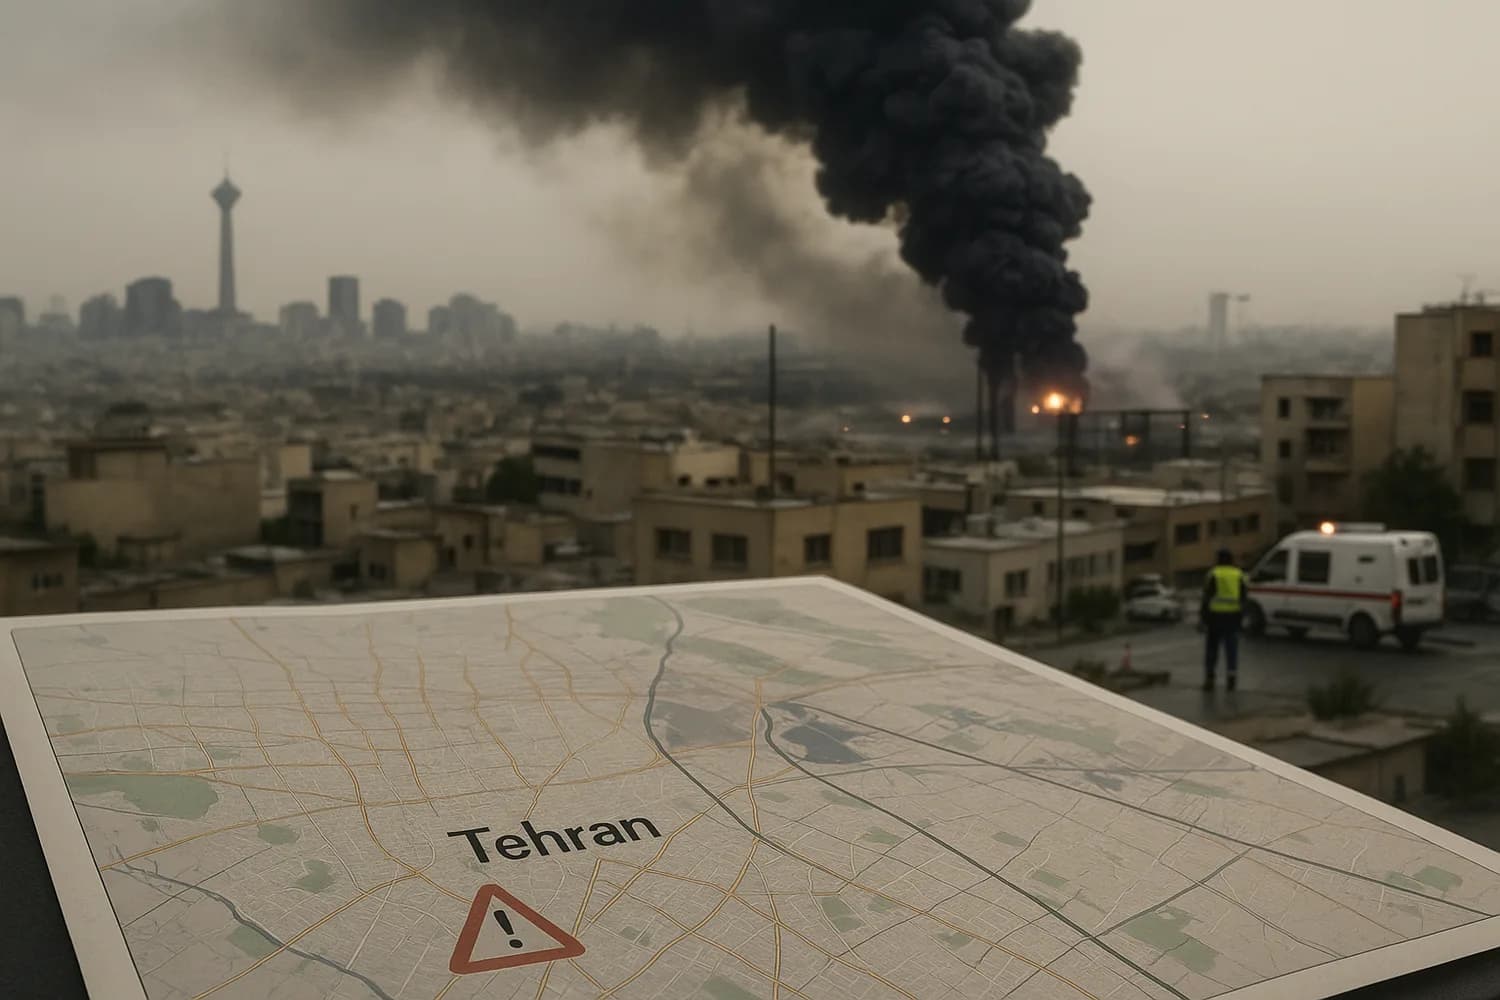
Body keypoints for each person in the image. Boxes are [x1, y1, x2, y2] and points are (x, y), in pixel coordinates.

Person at [1199, 548, 1247, 691]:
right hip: (1233, 617)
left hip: (1215, 617)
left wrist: (1203, 618)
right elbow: (1243, 597)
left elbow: (1207, 598)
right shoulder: (1238, 574)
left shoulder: (1213, 574)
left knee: (1212, 649)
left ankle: (1210, 679)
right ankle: (1231, 678)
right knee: (1231, 649)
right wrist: (1241, 616)